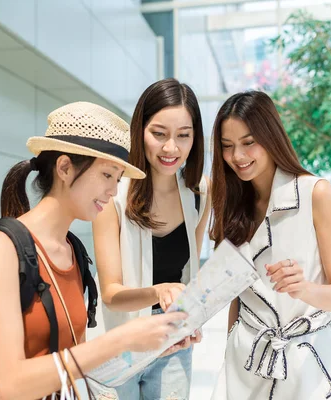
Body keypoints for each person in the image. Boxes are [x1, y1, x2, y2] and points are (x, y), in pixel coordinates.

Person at [0, 101, 188, 400]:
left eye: (117, 179)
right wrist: (120, 339)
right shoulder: (1, 249)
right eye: (107, 175)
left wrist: (148, 342)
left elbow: (69, 358)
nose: (113, 191)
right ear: (64, 167)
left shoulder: (73, 251)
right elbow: (9, 385)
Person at [209, 91, 331, 399]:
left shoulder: (316, 194)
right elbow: (237, 296)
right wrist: (230, 344)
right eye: (227, 146)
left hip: (310, 364)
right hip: (246, 360)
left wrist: (303, 288)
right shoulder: (231, 201)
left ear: (271, 135)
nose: (237, 156)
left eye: (248, 142)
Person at [91, 79, 211, 400]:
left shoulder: (200, 191)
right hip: (121, 342)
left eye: (183, 136)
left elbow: (191, 276)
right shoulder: (112, 193)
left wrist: (192, 316)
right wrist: (158, 292)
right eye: (159, 134)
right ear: (140, 130)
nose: (171, 148)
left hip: (173, 338)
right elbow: (111, 293)